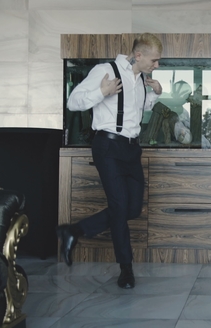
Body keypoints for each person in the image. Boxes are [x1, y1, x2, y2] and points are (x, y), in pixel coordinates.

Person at [56, 33, 163, 289]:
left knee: (132, 208)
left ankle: (75, 230)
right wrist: (101, 91)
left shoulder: (139, 79)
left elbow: (138, 110)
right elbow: (73, 102)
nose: (157, 65)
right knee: (119, 206)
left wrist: (156, 94)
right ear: (139, 55)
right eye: (155, 60)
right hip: (107, 146)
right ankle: (126, 270)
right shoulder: (105, 70)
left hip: (130, 150)